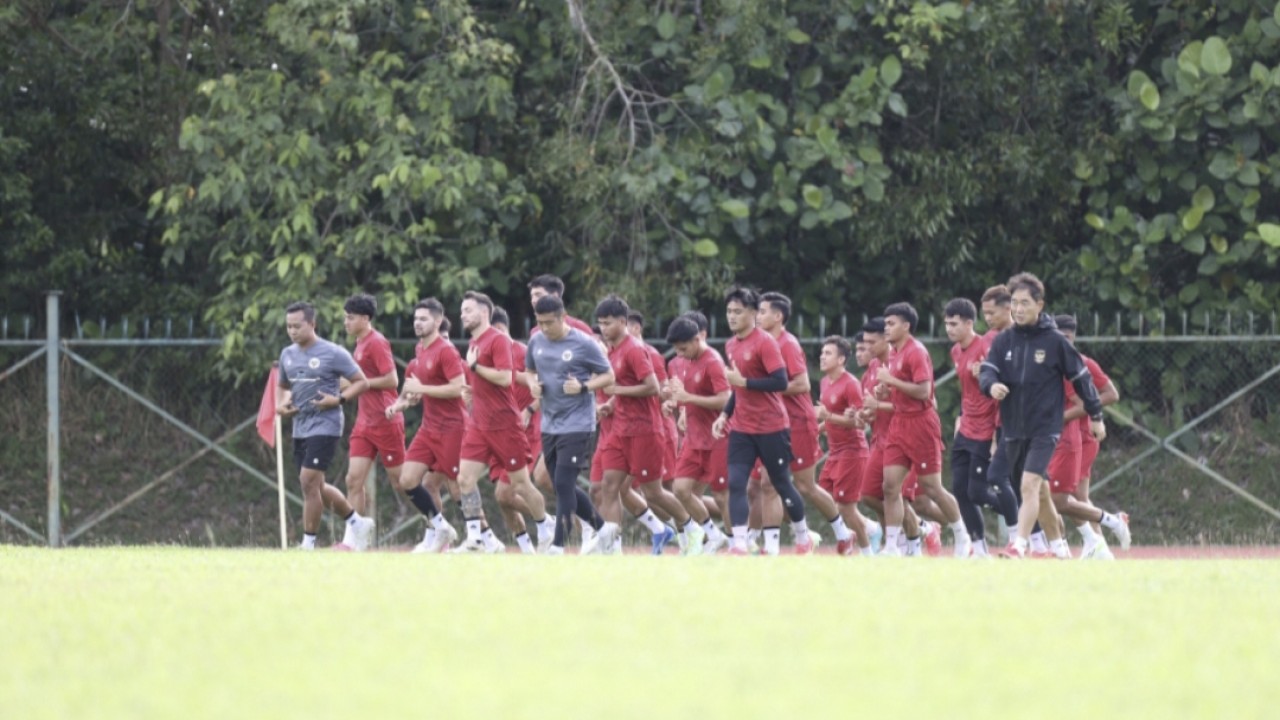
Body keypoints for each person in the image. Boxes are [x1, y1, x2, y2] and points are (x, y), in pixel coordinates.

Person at [979, 273, 1110, 559]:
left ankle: (1019, 545)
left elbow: (1082, 379)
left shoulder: (1055, 341)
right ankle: (1060, 547)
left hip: (1045, 429)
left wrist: (1096, 416)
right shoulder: (1004, 341)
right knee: (1039, 493)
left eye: (1025, 302)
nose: (1019, 308)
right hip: (1013, 429)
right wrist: (992, 385)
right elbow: (987, 370)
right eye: (1015, 303)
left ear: (1040, 305)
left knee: (1029, 485)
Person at [711, 287, 815, 555]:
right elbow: (737, 389)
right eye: (729, 311)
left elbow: (780, 381)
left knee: (780, 483)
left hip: (771, 426)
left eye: (738, 311)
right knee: (736, 483)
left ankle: (803, 535)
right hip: (742, 428)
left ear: (753, 313)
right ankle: (740, 543)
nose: (731, 317)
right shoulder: (731, 344)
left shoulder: (766, 342)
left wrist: (743, 382)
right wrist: (724, 414)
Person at [452, 291, 555, 553]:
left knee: (520, 485)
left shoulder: (498, 340)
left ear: (484, 313)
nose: (463, 315)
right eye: (462, 311)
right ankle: (475, 538)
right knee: (464, 479)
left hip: (505, 425)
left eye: (468, 310)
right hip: (479, 425)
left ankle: (545, 525)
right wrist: (470, 393)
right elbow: (484, 383)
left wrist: (476, 368)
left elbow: (504, 378)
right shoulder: (473, 345)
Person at [757, 291, 858, 553]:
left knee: (804, 485)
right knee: (767, 484)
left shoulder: (787, 344)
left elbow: (801, 384)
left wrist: (763, 387)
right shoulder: (760, 343)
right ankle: (777, 544)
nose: (757, 316)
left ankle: (842, 533)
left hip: (798, 423)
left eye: (762, 311)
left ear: (778, 316)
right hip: (772, 424)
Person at [588, 295, 685, 555]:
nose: (603, 329)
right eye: (600, 324)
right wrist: (611, 402)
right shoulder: (611, 351)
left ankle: (693, 529)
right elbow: (619, 390)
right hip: (620, 430)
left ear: (623, 322)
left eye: (608, 323)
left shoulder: (633, 349)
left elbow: (653, 387)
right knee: (609, 486)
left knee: (653, 493)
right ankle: (612, 549)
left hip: (645, 429)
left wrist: (615, 390)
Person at [275, 301, 375, 551]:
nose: (292, 331)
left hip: (326, 424)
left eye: (297, 326)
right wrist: (283, 404)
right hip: (300, 426)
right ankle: (356, 522)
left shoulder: (333, 352)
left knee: (307, 480)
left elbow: (362, 382)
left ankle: (308, 543)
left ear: (312, 324)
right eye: (288, 326)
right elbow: (284, 386)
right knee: (315, 485)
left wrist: (338, 399)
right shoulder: (287, 354)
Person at [875, 302, 971, 557]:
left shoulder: (916, 351)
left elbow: (924, 391)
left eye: (891, 323)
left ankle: (962, 535)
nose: (886, 328)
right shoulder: (894, 353)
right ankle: (893, 547)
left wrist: (891, 381)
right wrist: (885, 390)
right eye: (885, 323)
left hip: (921, 424)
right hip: (899, 424)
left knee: (932, 488)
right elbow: (900, 388)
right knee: (889, 487)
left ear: (906, 326)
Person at [524, 294, 614, 554]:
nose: (543, 328)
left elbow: (609, 375)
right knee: (560, 484)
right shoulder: (536, 341)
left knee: (563, 483)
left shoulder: (584, 343)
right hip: (549, 424)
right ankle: (603, 528)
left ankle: (558, 546)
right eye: (539, 322)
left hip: (578, 424)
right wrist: (532, 385)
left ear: (563, 318)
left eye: (549, 322)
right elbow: (529, 370)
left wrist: (584, 386)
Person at [386, 299, 465, 553]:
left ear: (437, 321)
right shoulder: (421, 350)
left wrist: (422, 389)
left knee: (459, 487)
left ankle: (482, 535)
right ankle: (440, 527)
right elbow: (415, 390)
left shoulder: (446, 351)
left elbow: (457, 388)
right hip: (428, 428)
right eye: (416, 318)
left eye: (423, 319)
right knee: (407, 479)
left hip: (453, 427)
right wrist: (400, 405)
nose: (417, 323)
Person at [1050, 314, 1131, 558]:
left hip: (1080, 437)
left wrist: (1066, 416)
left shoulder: (1076, 364)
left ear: (1072, 337)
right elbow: (1099, 397)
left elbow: (1106, 396)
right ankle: (1099, 547)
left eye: (1066, 337)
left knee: (1061, 497)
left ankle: (1098, 536)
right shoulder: (1067, 363)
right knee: (1078, 496)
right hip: (1075, 436)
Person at [627, 309, 698, 551]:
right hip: (632, 431)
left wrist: (668, 401)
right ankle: (676, 532)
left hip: (659, 430)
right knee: (634, 489)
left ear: (635, 328)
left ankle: (695, 533)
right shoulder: (617, 353)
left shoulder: (650, 354)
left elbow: (663, 388)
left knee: (664, 491)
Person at [664, 315, 732, 555]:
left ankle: (737, 545)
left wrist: (688, 400)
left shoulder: (712, 360)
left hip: (718, 438)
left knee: (723, 496)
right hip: (694, 439)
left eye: (683, 348)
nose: (679, 354)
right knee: (681, 490)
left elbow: (726, 399)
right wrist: (676, 404)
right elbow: (684, 394)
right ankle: (713, 535)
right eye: (676, 350)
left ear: (696, 339)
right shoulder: (685, 361)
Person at [979, 285, 1038, 550]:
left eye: (992, 313)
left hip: (1029, 425)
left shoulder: (1030, 338)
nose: (988, 319)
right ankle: (1040, 543)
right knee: (1019, 484)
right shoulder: (994, 340)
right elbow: (987, 383)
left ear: (1008, 308)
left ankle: (1020, 539)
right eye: (985, 313)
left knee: (999, 477)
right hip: (1005, 425)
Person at [340, 294, 406, 529]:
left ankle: (436, 522)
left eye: (350, 317)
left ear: (365, 319)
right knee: (353, 480)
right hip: (364, 423)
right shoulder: (359, 343)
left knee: (401, 483)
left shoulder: (376, 342)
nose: (345, 322)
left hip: (385, 420)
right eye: (345, 317)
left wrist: (360, 383)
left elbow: (392, 380)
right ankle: (355, 537)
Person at [944, 297, 1004, 557]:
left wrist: (994, 437)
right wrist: (960, 418)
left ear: (970, 323)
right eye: (947, 323)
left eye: (955, 324)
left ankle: (1026, 518)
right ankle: (979, 549)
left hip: (985, 429)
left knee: (977, 490)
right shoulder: (956, 351)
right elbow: (966, 392)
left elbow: (1000, 389)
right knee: (959, 489)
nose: (950, 329)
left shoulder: (986, 347)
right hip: (966, 428)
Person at [815, 336, 874, 556]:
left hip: (853, 452)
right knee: (823, 498)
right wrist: (817, 429)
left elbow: (859, 422)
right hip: (835, 452)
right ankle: (870, 529)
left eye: (828, 353)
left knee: (846, 508)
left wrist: (827, 415)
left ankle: (867, 553)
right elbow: (830, 418)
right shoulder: (824, 382)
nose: (822, 357)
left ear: (841, 359)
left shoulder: (850, 384)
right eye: (822, 353)